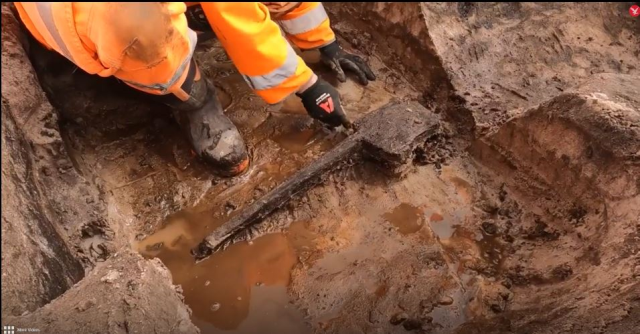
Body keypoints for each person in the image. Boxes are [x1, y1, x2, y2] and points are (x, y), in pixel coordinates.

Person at [14, 2, 375, 176]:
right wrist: (306, 85)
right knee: (141, 31)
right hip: (96, 16)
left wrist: (321, 42)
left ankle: (187, 20)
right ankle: (193, 101)